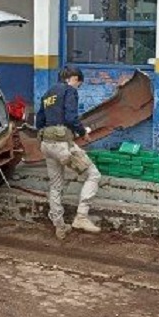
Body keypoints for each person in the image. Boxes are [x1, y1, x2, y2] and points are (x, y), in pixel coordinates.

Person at [36, 66, 101, 239]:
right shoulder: (69, 90)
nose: (77, 87)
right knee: (93, 175)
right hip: (62, 146)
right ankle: (81, 216)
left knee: (56, 185)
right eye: (79, 84)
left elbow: (39, 121)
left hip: (47, 145)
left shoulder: (48, 93)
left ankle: (59, 225)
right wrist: (82, 133)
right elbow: (71, 118)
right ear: (74, 78)